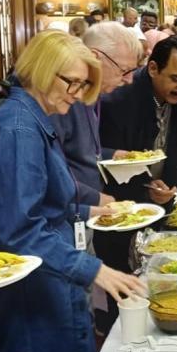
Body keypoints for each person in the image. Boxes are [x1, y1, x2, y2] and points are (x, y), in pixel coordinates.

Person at [0, 30, 145, 352]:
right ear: (43, 70)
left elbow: (44, 202)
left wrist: (87, 212)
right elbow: (20, 230)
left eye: (83, 85)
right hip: (31, 287)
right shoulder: (18, 129)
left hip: (48, 274)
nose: (77, 94)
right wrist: (94, 268)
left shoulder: (35, 118)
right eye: (72, 83)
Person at [96, 35, 177, 328]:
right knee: (122, 282)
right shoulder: (119, 95)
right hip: (119, 205)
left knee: (160, 274)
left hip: (166, 194)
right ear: (153, 68)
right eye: (176, 78)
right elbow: (98, 156)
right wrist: (143, 187)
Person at [50, 22, 143, 221]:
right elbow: (51, 172)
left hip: (83, 209)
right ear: (95, 58)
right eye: (124, 70)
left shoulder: (92, 96)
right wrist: (98, 198)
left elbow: (77, 150)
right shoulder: (66, 99)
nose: (129, 80)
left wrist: (112, 154)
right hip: (67, 213)